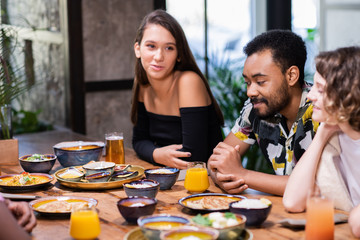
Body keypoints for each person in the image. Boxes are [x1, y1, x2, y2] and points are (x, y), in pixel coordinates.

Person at [208, 29, 318, 196]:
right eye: (247, 82)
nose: (250, 92)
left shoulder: (323, 110)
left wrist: (243, 175)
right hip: (283, 213)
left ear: (292, 76)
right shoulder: (255, 108)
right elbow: (215, 161)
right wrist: (222, 179)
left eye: (260, 82)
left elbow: (314, 187)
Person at [131, 10, 224, 169]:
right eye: (151, 46)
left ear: (179, 54)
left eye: (169, 48)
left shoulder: (188, 81)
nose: (159, 56)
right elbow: (138, 141)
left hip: (205, 182)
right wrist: (157, 154)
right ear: (138, 49)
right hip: (168, 176)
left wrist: (154, 152)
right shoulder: (142, 82)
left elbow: (193, 158)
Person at [282, 46, 360, 237]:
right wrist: (323, 133)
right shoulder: (336, 137)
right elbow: (293, 201)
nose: (310, 96)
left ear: (348, 96)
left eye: (321, 90)